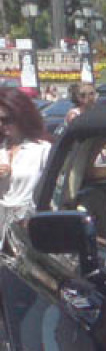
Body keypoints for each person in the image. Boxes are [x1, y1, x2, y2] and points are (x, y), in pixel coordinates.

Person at [0, 88, 53, 239]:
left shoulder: (42, 150)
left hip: (26, 224)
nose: (1, 125)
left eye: (6, 120)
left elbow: (54, 192)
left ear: (22, 117)